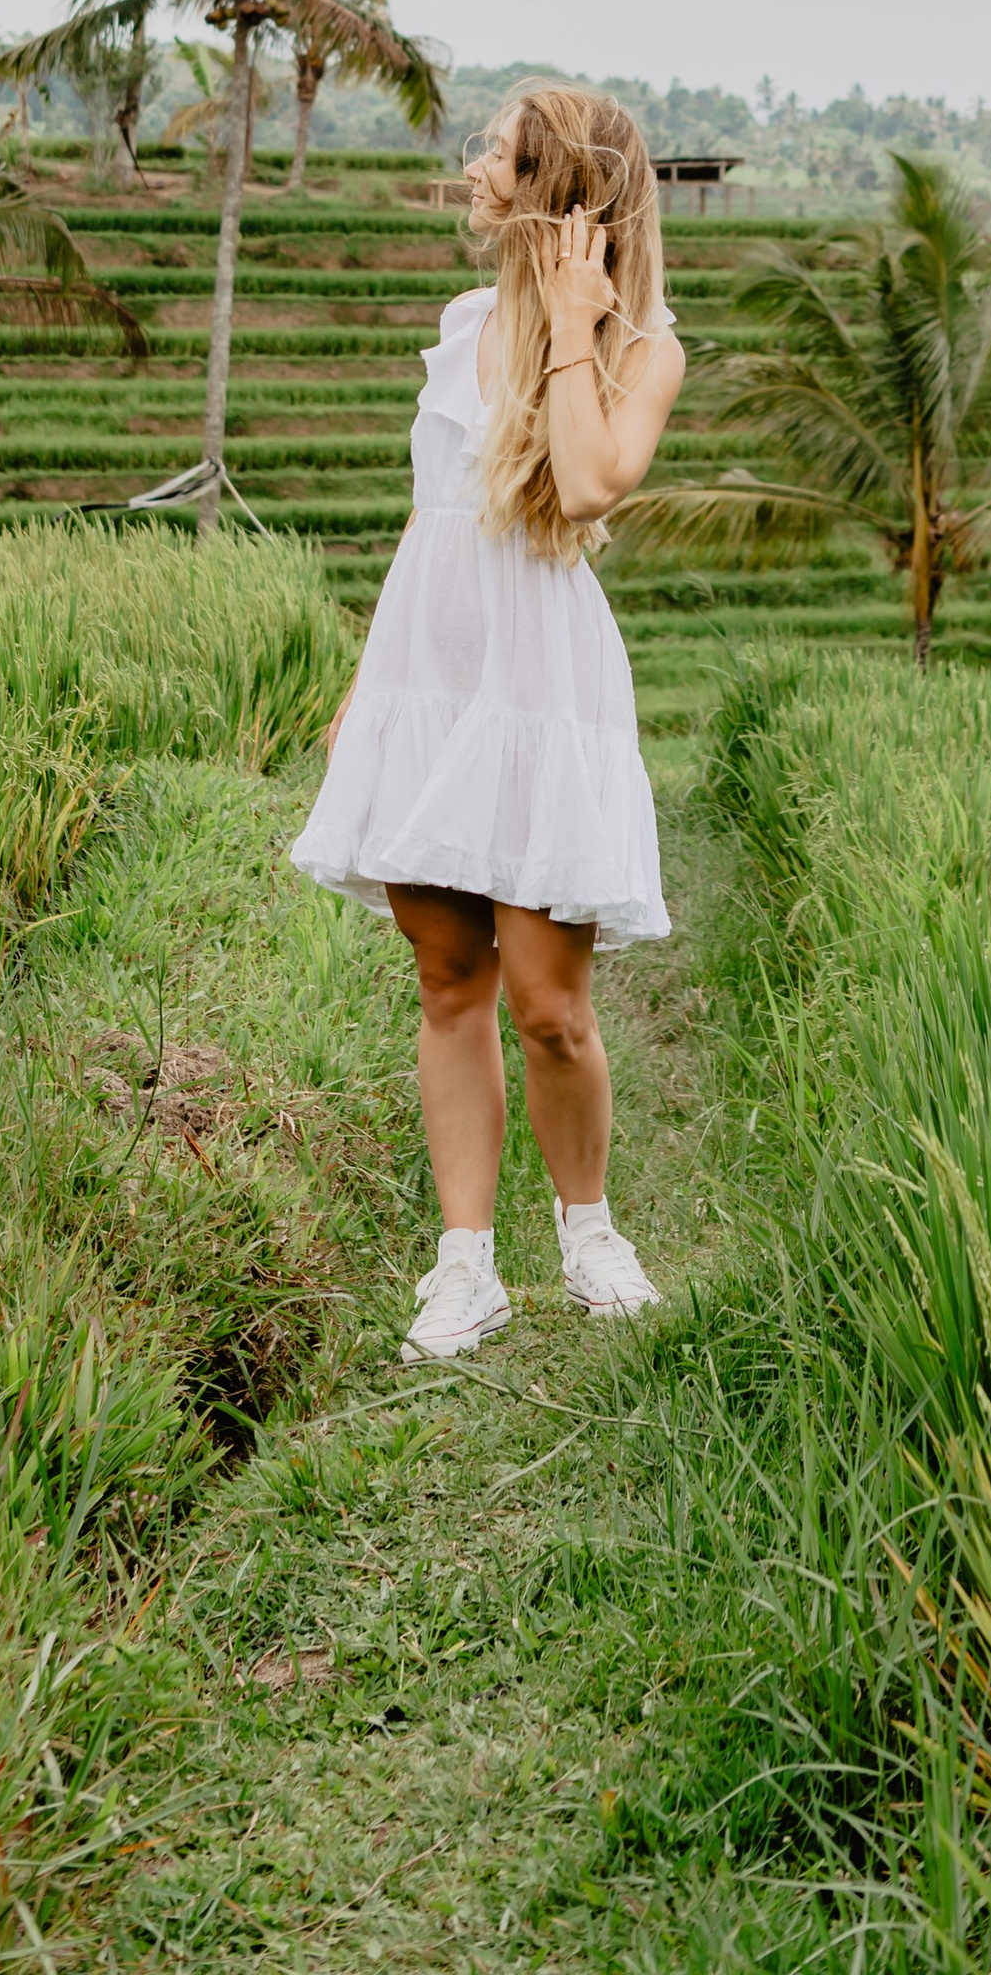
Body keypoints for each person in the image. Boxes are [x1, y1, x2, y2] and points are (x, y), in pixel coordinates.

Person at [291, 85, 686, 1363]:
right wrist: (370, 682)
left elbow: (583, 483)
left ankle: (588, 1238)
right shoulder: (458, 323)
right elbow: (428, 518)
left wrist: (575, 324)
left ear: (559, 193)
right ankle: (465, 1268)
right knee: (446, 976)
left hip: (541, 684)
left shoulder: (641, 349)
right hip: (432, 667)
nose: (475, 168)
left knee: (548, 1003)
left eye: (501, 156)